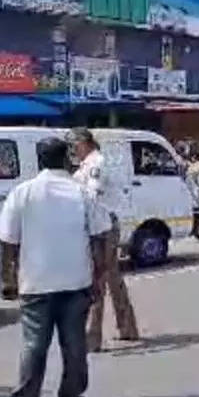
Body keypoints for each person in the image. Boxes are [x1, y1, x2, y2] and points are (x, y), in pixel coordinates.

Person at [0, 138, 110, 397]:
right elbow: (100, 239)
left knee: (34, 346)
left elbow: (6, 241)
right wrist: (98, 277)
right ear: (66, 159)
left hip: (36, 283)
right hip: (76, 281)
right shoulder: (82, 193)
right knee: (74, 345)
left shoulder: (24, 192)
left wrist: (7, 278)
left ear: (39, 160)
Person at [67, 128, 138, 353]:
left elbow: (91, 195)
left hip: (103, 228)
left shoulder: (97, 163)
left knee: (97, 279)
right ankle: (127, 327)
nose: (72, 150)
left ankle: (92, 337)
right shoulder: (85, 166)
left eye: (74, 145)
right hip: (100, 226)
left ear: (84, 143)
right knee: (112, 278)